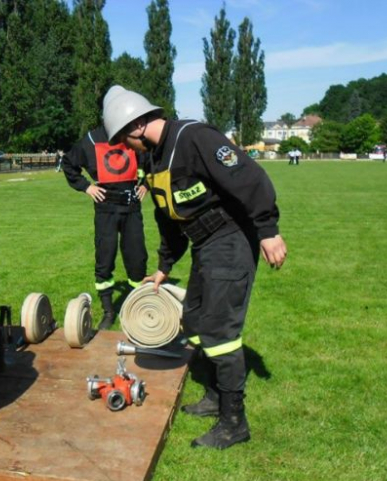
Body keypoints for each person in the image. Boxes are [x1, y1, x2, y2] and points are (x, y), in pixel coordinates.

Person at [102, 85, 287, 450]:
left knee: (220, 331)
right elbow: (168, 219)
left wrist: (268, 231)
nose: (125, 145)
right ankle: (216, 396)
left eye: (125, 136)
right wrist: (165, 266)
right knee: (196, 320)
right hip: (204, 244)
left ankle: (234, 422)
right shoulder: (154, 161)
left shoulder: (195, 137)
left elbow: (250, 178)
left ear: (138, 125)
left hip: (230, 239)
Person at [62, 124, 148, 329]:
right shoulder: (92, 139)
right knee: (105, 258)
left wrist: (146, 184)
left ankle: (135, 306)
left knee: (137, 259)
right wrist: (86, 186)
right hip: (106, 210)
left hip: (131, 209)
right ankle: (108, 311)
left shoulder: (134, 135)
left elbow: (154, 161)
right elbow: (68, 162)